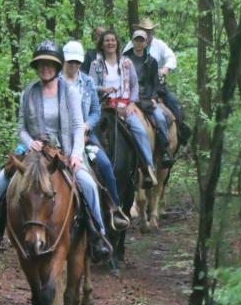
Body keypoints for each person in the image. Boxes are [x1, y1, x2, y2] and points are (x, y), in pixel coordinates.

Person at [0, 40, 112, 262]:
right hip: (32, 152)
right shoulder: (28, 93)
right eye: (41, 64)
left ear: (57, 66)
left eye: (50, 64)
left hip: (63, 151)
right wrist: (29, 141)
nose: (45, 68)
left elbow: (78, 126)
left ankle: (97, 235)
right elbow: (21, 127)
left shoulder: (69, 92)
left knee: (88, 184)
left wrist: (76, 155)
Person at [60, 40, 130, 230]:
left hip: (86, 136)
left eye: (77, 62)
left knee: (105, 164)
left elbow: (95, 111)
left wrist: (85, 126)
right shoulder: (55, 82)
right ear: (63, 61)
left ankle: (114, 209)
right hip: (58, 137)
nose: (74, 66)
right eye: (70, 62)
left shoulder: (88, 82)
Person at [88, 27, 158, 188]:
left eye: (112, 40)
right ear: (102, 44)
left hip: (123, 107)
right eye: (107, 41)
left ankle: (147, 168)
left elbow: (134, 85)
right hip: (103, 107)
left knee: (139, 131)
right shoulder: (95, 64)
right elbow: (90, 86)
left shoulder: (126, 63)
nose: (110, 43)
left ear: (117, 43)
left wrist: (132, 102)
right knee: (89, 132)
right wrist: (102, 89)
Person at [124, 18, 190, 142]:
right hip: (134, 87)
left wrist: (165, 69)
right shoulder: (130, 46)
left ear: (152, 32)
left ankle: (180, 129)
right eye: (144, 31)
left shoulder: (159, 45)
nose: (147, 34)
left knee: (173, 102)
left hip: (155, 84)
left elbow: (171, 57)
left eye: (149, 31)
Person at [124, 30, 173, 167]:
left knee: (161, 118)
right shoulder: (125, 59)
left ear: (146, 43)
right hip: (129, 98)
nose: (139, 43)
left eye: (142, 40)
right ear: (132, 41)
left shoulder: (151, 61)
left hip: (147, 98)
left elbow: (155, 83)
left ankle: (164, 150)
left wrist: (153, 97)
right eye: (137, 40)